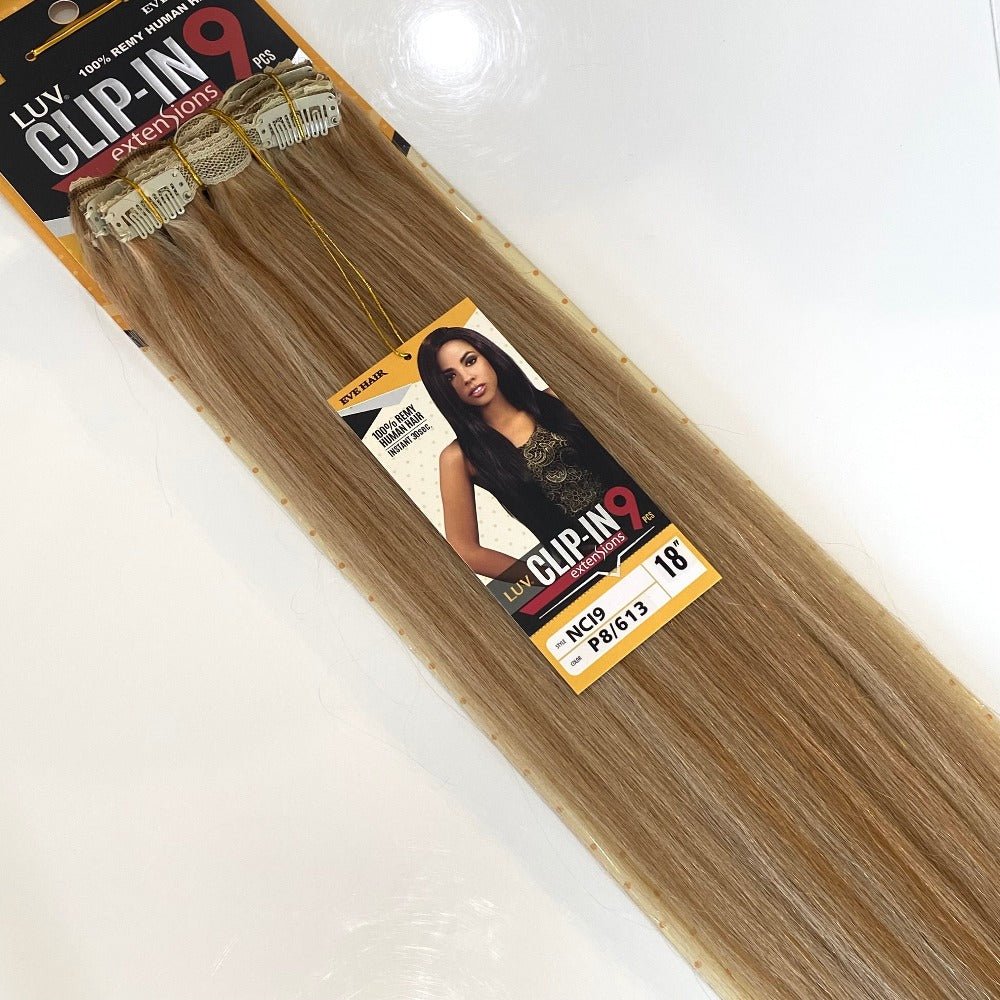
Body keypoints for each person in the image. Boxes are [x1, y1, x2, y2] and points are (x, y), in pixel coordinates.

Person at [417, 326, 627, 583]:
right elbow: (465, 551)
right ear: (441, 389)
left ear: (489, 357)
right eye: (450, 377)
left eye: (470, 361)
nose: (466, 378)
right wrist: (549, 580)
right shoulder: (459, 457)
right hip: (590, 572)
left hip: (647, 523)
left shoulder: (557, 399)